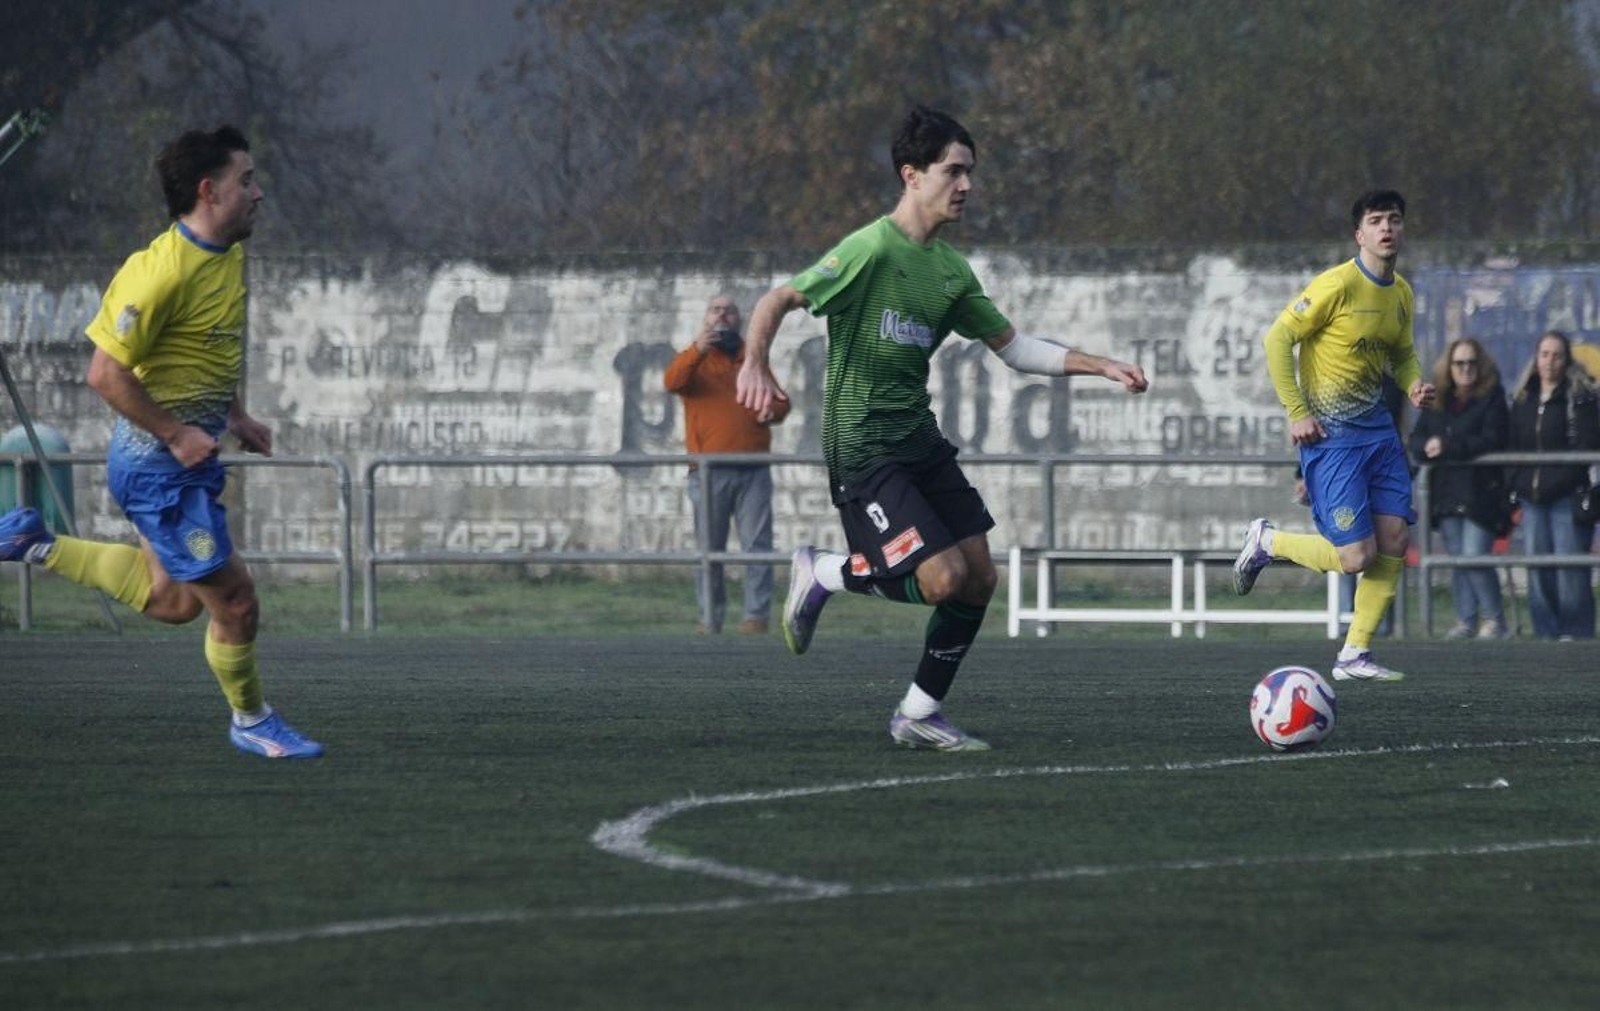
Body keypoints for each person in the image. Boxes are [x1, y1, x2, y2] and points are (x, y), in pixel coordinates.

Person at [736, 105, 1149, 751]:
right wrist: (755, 363)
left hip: (919, 441)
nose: (966, 185)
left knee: (980, 577)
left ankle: (919, 712)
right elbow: (778, 299)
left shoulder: (952, 272)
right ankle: (826, 573)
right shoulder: (869, 249)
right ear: (912, 175)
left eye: (970, 172)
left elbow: (1014, 348)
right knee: (942, 579)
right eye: (953, 171)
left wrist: (1100, 364)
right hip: (865, 447)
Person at [0, 126, 322, 759]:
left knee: (173, 601)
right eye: (246, 180)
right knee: (236, 601)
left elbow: (207, 344)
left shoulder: (225, 252)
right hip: (158, 470)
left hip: (177, 463)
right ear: (209, 191)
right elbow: (105, 373)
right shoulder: (158, 275)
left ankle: (32, 542)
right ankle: (252, 720)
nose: (258, 193)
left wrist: (234, 414)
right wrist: (176, 434)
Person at [1233, 189, 1435, 682]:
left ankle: (1354, 655)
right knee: (1355, 556)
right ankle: (1268, 541)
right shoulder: (1337, 285)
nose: (1387, 228)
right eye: (1376, 220)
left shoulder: (1402, 293)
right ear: (1359, 234)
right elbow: (1278, 337)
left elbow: (1402, 352)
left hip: (1380, 436)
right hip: (1333, 438)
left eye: (1394, 219)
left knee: (1394, 537)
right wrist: (1297, 411)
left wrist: (1412, 384)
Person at [663, 294, 790, 634]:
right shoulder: (694, 360)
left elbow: (781, 402)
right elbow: (672, 382)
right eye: (715, 310)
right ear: (706, 318)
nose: (723, 316)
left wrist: (771, 412)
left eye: (729, 311)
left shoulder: (753, 357)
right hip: (707, 471)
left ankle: (756, 617)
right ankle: (710, 619)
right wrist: (697, 349)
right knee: (709, 550)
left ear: (739, 319)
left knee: (758, 548)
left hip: (753, 469)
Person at [1407, 338, 1512, 639]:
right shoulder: (1437, 400)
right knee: (1457, 560)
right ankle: (1465, 621)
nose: (1465, 369)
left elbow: (1493, 438)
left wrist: (1448, 445)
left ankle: (1495, 620)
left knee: (1474, 555)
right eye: (1459, 363)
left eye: (1471, 363)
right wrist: (1425, 446)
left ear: (1481, 366)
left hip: (1482, 493)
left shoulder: (1492, 398)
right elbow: (1416, 440)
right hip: (1447, 494)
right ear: (1449, 367)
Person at [1507, 330, 1599, 640]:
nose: (1550, 362)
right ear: (1536, 358)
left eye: (1557, 355)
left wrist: (1557, 479)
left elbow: (1587, 444)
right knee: (1538, 569)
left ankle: (1577, 633)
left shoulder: (1580, 396)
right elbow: (1513, 445)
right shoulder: (1524, 397)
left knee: (1570, 569)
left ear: (1566, 359)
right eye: (1545, 354)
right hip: (1531, 499)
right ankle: (1545, 634)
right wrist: (1519, 482)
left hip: (1567, 497)